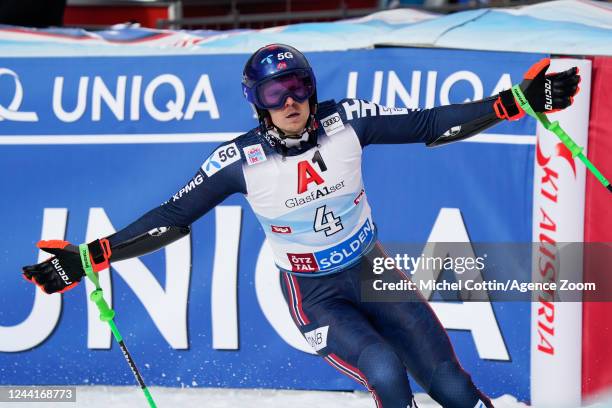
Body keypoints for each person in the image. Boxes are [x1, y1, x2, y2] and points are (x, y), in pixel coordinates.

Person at [22, 44, 579, 407]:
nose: (290, 101)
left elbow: (431, 124)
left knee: (456, 390)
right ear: (256, 104)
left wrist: (514, 103)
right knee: (385, 370)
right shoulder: (238, 161)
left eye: (299, 86)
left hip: (372, 270)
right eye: (274, 93)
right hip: (315, 295)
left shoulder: (348, 122)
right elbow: (171, 218)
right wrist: (89, 256)